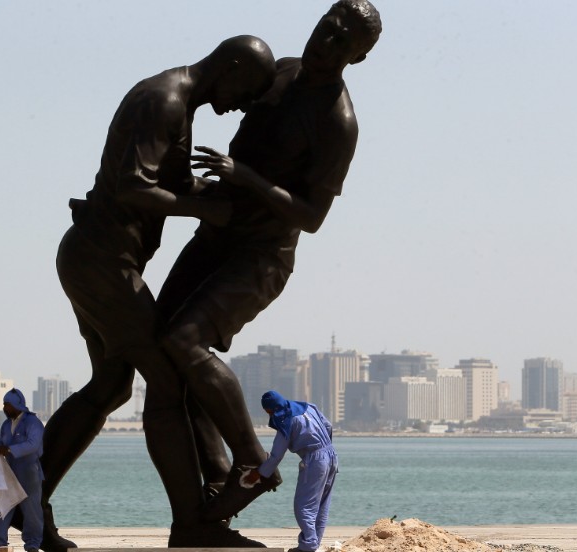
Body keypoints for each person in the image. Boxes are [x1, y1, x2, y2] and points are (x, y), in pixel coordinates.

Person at [40, 35, 276, 551]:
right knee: (169, 379)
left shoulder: (180, 107)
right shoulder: (164, 100)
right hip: (103, 264)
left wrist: (230, 191)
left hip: (97, 260)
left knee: (110, 386)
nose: (243, 105)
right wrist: (204, 210)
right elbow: (131, 186)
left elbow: (168, 184)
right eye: (248, 90)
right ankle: (192, 525)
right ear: (230, 66)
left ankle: (27, 504)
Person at [155, 0, 382, 522]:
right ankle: (211, 500)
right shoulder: (281, 71)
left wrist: (245, 177)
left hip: (261, 256)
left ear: (358, 57)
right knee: (164, 354)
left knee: (183, 341)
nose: (326, 41)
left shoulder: (337, 122)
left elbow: (312, 215)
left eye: (342, 40)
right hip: (216, 234)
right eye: (327, 27)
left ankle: (253, 461)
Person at [244, 391, 337, 552]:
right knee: (321, 504)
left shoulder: (285, 421)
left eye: (268, 412)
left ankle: (308, 546)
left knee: (303, 506)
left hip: (315, 460)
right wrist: (325, 447)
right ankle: (313, 543)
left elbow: (276, 456)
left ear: (269, 410)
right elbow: (328, 426)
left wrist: (258, 473)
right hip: (332, 455)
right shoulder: (309, 407)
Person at [0, 389, 45, 552]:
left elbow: (33, 444)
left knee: (31, 510)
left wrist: (8, 450)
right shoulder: (6, 424)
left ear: (17, 405)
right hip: (8, 473)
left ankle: (32, 544)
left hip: (28, 473)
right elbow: (0, 441)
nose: (4, 408)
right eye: (4, 404)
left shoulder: (32, 422)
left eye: (7, 405)